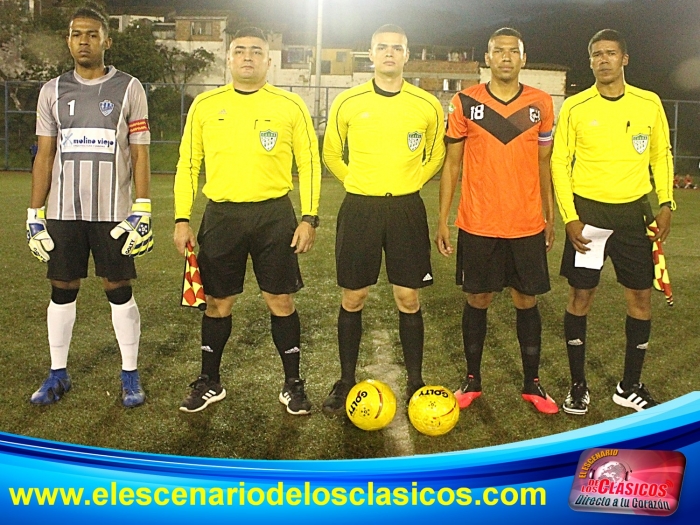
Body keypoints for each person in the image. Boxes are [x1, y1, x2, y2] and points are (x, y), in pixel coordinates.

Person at [173, 27, 321, 415]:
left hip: (274, 215)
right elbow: (188, 165)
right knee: (217, 302)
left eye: (256, 51)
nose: (248, 57)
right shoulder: (205, 105)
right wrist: (181, 218)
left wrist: (309, 217)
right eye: (240, 50)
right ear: (228, 58)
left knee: (280, 299)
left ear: (269, 60)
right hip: (222, 216)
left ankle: (292, 384)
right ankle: (210, 381)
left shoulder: (290, 105)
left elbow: (308, 163)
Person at [26, 4, 152, 408]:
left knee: (118, 288)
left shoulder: (130, 87)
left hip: (113, 211)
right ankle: (57, 374)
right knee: (62, 288)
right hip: (63, 210)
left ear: (106, 41)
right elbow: (44, 155)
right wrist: (34, 214)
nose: (84, 41)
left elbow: (140, 152)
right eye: (77, 34)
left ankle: (130, 375)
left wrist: (143, 207)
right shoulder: (52, 91)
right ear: (68, 41)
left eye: (92, 34)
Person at [321, 24, 446, 413]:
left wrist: (412, 181)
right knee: (353, 296)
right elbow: (331, 153)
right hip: (360, 208)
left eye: (397, 47)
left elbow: (437, 154)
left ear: (407, 55)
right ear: (371, 54)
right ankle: (346, 380)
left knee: (408, 297)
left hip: (406, 209)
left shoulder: (427, 104)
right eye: (382, 47)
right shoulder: (348, 101)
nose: (389, 53)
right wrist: (356, 182)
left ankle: (415, 381)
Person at [435, 27, 558, 414]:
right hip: (478, 222)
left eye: (513, 51)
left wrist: (550, 214)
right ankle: (472, 380)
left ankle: (532, 384)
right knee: (478, 298)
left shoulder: (541, 104)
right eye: (498, 51)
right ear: (487, 58)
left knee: (526, 299)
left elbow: (544, 163)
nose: (506, 57)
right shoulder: (465, 101)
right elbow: (451, 165)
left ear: (523, 58)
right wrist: (443, 219)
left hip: (526, 222)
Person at [551, 29, 674, 415]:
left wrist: (666, 202)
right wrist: (570, 217)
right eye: (597, 54)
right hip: (589, 218)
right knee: (580, 296)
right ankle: (578, 386)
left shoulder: (648, 103)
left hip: (633, 216)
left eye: (611, 53)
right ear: (590, 62)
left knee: (640, 297)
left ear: (624, 59)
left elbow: (660, 155)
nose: (603, 59)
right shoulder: (575, 106)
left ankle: (629, 386)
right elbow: (559, 162)